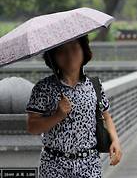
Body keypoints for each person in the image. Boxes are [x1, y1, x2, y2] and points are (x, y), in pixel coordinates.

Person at [26, 36, 122, 177]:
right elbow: (32, 127)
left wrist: (115, 141)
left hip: (89, 165)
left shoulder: (94, 85)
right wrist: (58, 115)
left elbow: (106, 116)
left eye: (74, 47)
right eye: (62, 51)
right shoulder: (43, 88)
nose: (70, 55)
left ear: (84, 50)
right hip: (54, 166)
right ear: (53, 57)